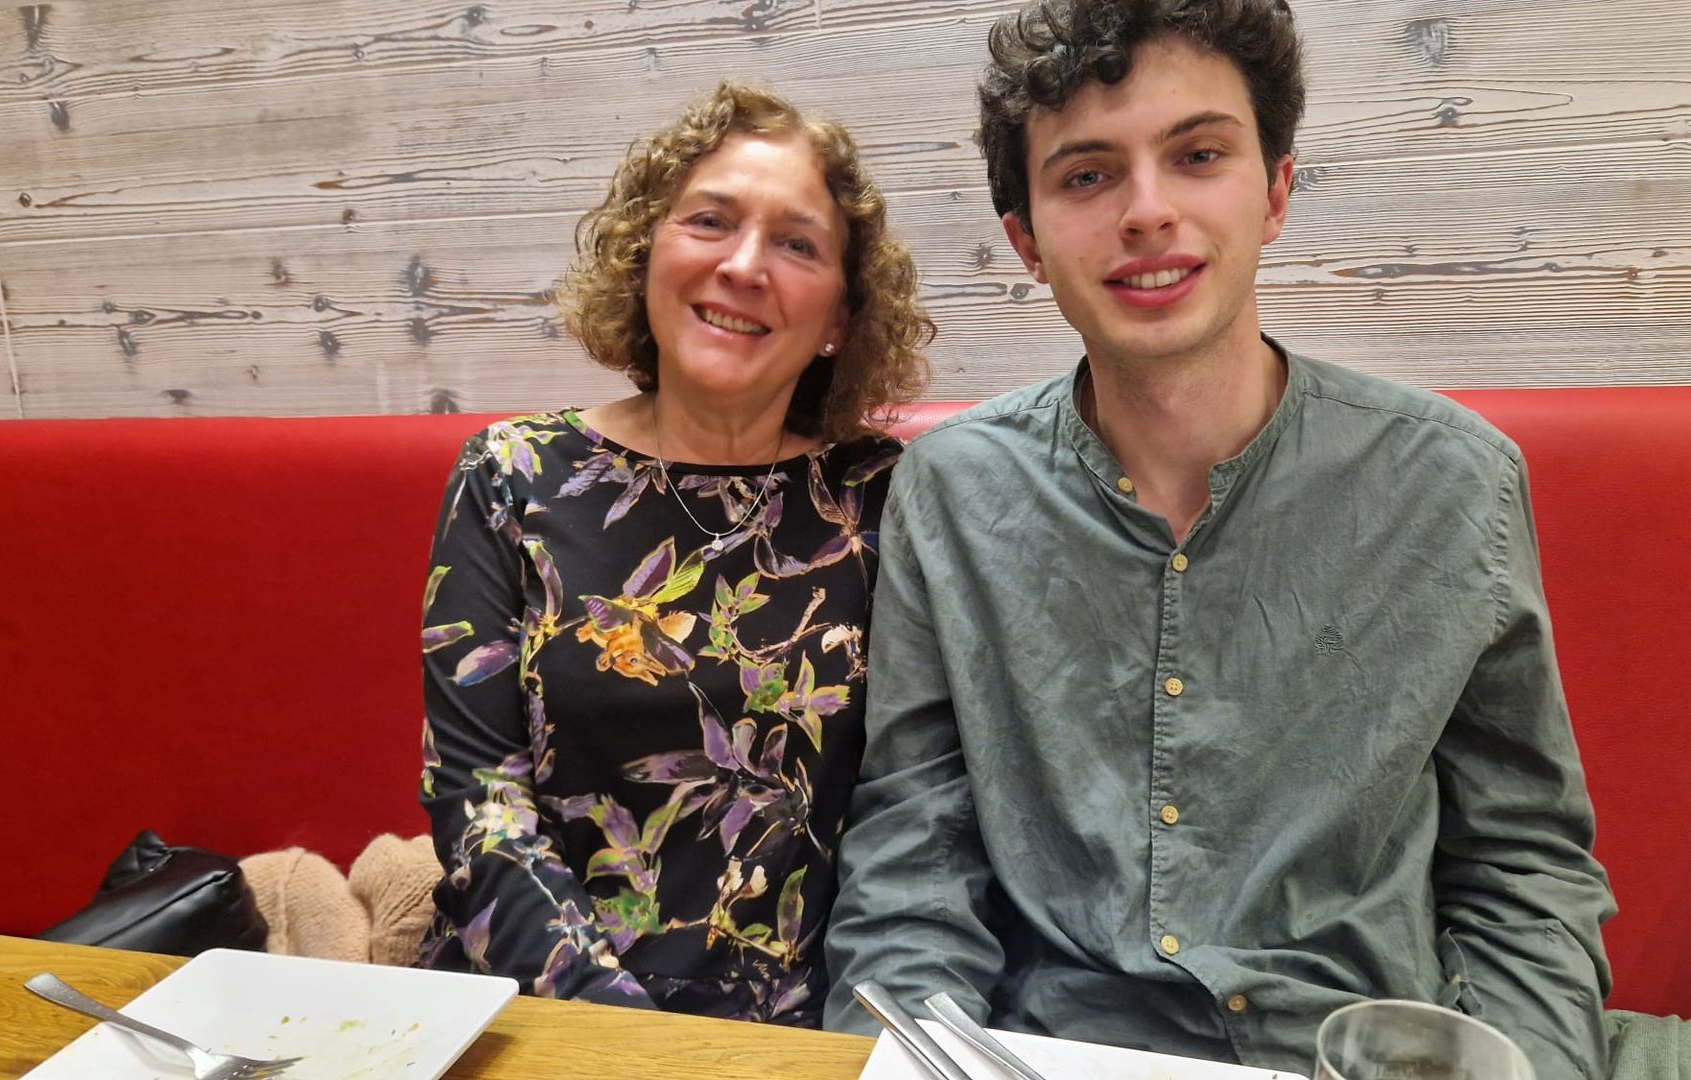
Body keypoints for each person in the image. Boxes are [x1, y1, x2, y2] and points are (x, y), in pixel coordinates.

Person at [822, 1, 1616, 1075]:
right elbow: (913, 867)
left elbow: (1523, 872)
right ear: (1027, 241)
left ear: (1276, 191)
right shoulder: (953, 492)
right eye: (1087, 175)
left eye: (1198, 155)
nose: (1148, 212)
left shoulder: (1452, 480)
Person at [418, 81, 932, 1026]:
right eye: (710, 221)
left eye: (798, 245)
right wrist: (627, 1037)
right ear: (646, 252)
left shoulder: (886, 499)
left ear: (839, 320)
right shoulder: (511, 475)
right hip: (537, 1008)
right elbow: (477, 800)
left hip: (800, 1032)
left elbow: (922, 813)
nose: (744, 265)